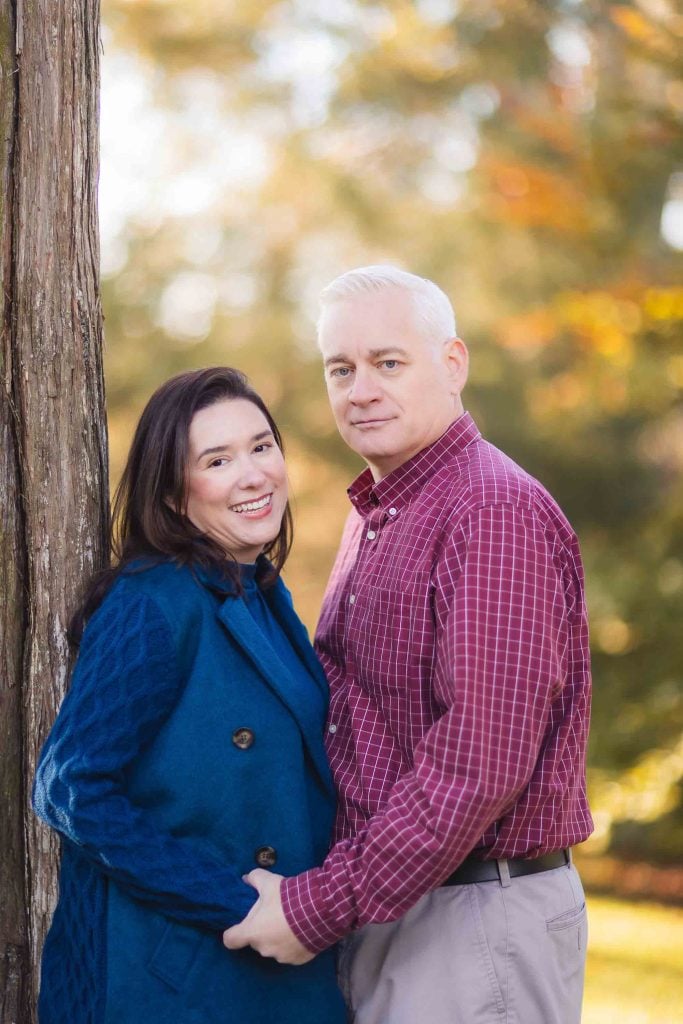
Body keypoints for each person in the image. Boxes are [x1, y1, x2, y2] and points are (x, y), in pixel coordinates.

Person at [224, 266, 594, 1024]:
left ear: (451, 364)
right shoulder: (383, 511)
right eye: (341, 368)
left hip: (476, 918)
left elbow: (479, 759)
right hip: (403, 903)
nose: (359, 389)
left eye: (387, 363)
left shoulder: (489, 509)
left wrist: (316, 908)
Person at [32, 367, 346, 1024]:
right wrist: (237, 906)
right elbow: (70, 790)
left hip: (277, 971)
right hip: (170, 974)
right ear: (174, 495)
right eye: (217, 459)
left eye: (261, 447)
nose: (253, 474)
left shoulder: (262, 593)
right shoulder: (153, 603)